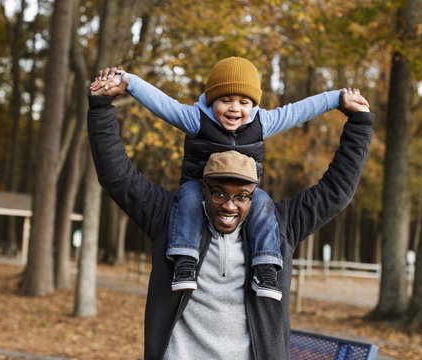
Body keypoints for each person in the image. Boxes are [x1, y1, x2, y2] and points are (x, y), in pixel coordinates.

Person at [87, 81, 373, 359]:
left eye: (242, 196)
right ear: (202, 188)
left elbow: (335, 192)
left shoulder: (277, 226)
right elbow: (118, 177)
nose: (229, 205)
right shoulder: (170, 219)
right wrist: (101, 107)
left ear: (254, 193)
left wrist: (358, 124)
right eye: (219, 192)